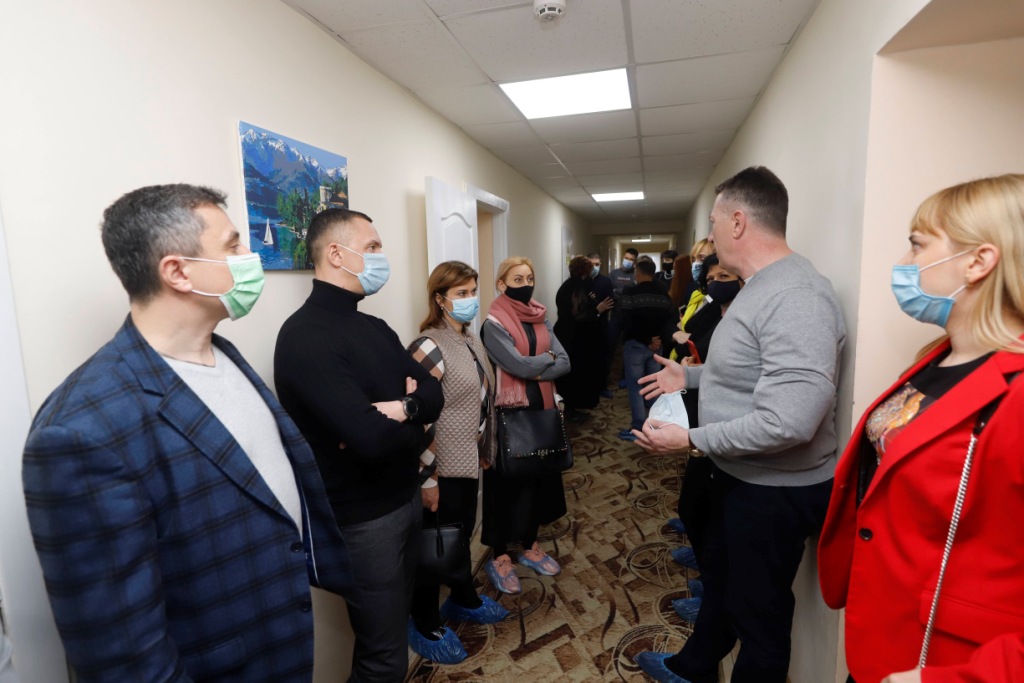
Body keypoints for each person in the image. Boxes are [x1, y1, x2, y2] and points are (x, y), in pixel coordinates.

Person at [22, 184, 351, 682]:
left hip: (279, 641)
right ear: (178, 271)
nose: (250, 257)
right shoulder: (80, 431)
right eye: (233, 245)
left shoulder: (223, 354)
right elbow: (123, 657)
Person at [631, 166, 845, 683]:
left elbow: (789, 421)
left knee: (760, 619)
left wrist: (691, 439)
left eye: (713, 221)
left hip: (773, 490)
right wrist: (690, 376)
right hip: (742, 475)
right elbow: (751, 370)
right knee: (725, 584)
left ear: (738, 221)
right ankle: (695, 667)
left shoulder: (797, 296)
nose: (709, 235)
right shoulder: (759, 286)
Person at [818, 174, 1024, 683]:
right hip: (886, 630)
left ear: (978, 262)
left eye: (917, 244)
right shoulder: (938, 357)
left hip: (947, 660)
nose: (904, 262)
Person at [274, 208, 444, 683]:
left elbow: (434, 392)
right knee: (382, 658)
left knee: (391, 635)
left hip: (405, 498)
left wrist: (404, 409)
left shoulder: (374, 327)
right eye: (372, 247)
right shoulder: (305, 337)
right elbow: (370, 440)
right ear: (336, 254)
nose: (380, 256)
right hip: (363, 520)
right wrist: (411, 418)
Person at [404, 261, 509, 664]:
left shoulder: (468, 338)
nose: (469, 300)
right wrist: (427, 478)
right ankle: (424, 619)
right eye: (460, 293)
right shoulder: (428, 345)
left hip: (466, 461)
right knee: (435, 545)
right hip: (440, 467)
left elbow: (480, 401)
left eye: (472, 291)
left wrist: (485, 450)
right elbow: (420, 417)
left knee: (459, 535)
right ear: (440, 299)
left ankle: (462, 597)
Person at [480, 257, 570, 594]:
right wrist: (545, 360)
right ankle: (500, 555)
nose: (526, 284)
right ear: (501, 284)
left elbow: (565, 362)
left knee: (537, 480)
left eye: (529, 278)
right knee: (505, 486)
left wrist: (535, 367)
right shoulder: (493, 324)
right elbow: (515, 365)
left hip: (541, 409)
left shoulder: (541, 317)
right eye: (517, 279)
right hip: (509, 414)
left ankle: (530, 545)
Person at [618, 258, 678, 442]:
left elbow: (625, 321)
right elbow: (671, 319)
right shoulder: (663, 294)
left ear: (638, 273)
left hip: (635, 346)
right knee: (653, 387)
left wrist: (646, 340)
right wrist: (657, 340)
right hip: (657, 347)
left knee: (636, 387)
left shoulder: (630, 292)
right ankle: (653, 426)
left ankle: (638, 427)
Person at [555, 255, 613, 419]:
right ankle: (571, 408)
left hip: (569, 336)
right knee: (575, 373)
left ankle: (572, 406)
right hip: (574, 338)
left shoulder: (571, 285)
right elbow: (578, 315)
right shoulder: (576, 288)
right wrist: (597, 310)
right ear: (584, 271)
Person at [607, 248, 639, 388]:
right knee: (611, 346)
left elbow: (635, 294)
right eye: (626, 258)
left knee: (628, 348)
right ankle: (607, 377)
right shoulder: (613, 274)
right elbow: (610, 293)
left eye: (631, 259)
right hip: (615, 316)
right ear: (622, 257)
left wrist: (619, 292)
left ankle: (625, 377)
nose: (628, 261)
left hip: (630, 318)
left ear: (635, 262)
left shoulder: (636, 275)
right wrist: (626, 292)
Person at [588, 252, 616, 398]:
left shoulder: (605, 281)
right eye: (591, 264)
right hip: (585, 326)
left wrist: (598, 308)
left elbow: (609, 303)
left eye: (597, 264)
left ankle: (602, 386)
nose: (594, 267)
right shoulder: (582, 281)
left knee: (602, 357)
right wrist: (597, 307)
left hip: (602, 325)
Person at [680, 239, 715, 327]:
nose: (695, 264)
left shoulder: (718, 295)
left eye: (702, 258)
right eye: (693, 259)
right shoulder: (695, 292)